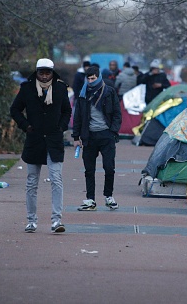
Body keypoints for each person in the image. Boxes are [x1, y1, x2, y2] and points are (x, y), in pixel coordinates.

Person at [10, 58, 72, 233]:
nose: (44, 76)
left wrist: (61, 126)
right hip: (34, 139)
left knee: (56, 180)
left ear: (52, 73)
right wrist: (26, 126)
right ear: (36, 72)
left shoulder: (60, 88)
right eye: (41, 72)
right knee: (31, 182)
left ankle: (56, 220)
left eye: (47, 72)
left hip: (54, 139)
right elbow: (15, 109)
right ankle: (31, 220)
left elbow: (67, 110)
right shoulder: (27, 88)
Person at [72, 65, 122, 211]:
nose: (90, 81)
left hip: (106, 136)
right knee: (89, 170)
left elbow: (117, 114)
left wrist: (113, 131)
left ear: (98, 77)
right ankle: (90, 199)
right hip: (89, 137)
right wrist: (76, 137)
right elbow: (78, 117)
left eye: (93, 78)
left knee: (109, 168)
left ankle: (108, 196)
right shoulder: (83, 94)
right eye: (88, 78)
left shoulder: (109, 91)